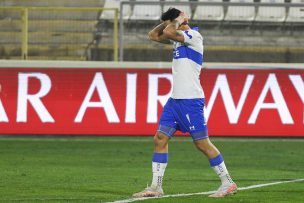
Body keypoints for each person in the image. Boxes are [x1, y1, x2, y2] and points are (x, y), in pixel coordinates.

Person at [133, 8, 237, 198]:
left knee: (202, 144)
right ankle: (156, 187)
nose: (168, 27)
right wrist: (167, 22)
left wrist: (177, 21)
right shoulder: (176, 37)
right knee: (160, 138)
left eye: (170, 22)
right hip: (175, 101)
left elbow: (171, 32)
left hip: (191, 101)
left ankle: (227, 182)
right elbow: (153, 35)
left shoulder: (194, 36)